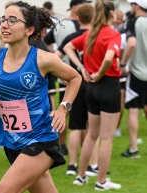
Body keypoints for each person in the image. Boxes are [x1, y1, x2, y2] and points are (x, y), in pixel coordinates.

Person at [0, 1, 81, 193]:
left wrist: (63, 109)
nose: (4, 25)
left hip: (40, 138)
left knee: (3, 190)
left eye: (12, 20)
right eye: (3, 19)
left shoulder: (44, 59)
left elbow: (75, 78)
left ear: (29, 29)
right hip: (12, 140)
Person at [64, 0, 122, 190]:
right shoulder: (112, 35)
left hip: (92, 89)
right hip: (107, 86)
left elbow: (68, 48)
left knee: (91, 136)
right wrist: (100, 72)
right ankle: (101, 181)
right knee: (105, 138)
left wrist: (81, 68)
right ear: (111, 14)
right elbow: (108, 58)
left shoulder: (90, 34)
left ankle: (81, 176)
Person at [55, 3, 98, 176]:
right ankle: (92, 165)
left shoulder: (72, 37)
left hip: (76, 85)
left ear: (78, 18)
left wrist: (64, 76)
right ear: (94, 18)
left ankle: (72, 165)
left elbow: (57, 57)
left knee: (76, 126)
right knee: (92, 128)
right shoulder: (96, 36)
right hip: (95, 84)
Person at [44, 0, 91, 156]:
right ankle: (86, 156)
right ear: (76, 8)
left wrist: (56, 70)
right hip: (83, 80)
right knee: (83, 121)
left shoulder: (61, 26)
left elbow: (52, 49)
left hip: (66, 78)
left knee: (64, 113)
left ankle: (62, 146)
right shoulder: (86, 32)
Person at [120, 0, 147, 158]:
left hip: (137, 72)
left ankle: (133, 148)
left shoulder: (133, 22)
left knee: (134, 110)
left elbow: (131, 44)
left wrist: (123, 64)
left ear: (136, 6)